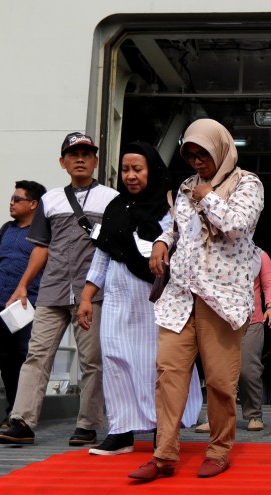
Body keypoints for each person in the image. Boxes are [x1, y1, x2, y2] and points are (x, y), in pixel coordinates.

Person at [128, 118, 263, 482]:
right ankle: (164, 454)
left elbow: (237, 226)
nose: (197, 162)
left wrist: (210, 199)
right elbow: (176, 228)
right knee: (168, 375)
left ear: (220, 149)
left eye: (202, 154)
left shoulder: (247, 183)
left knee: (220, 381)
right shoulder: (187, 186)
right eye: (190, 155)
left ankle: (219, 451)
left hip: (221, 298)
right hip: (180, 296)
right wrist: (161, 242)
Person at [77, 142, 203, 455]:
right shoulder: (116, 207)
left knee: (154, 363)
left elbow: (180, 246)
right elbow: (102, 256)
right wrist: (87, 296)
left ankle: (165, 428)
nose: (130, 176)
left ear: (152, 169)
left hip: (155, 297)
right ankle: (121, 431)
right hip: (118, 295)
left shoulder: (170, 205)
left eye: (138, 169)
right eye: (125, 170)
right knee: (115, 359)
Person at [0, 133, 117, 447]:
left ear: (95, 161)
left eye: (86, 154)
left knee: (92, 360)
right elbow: (41, 248)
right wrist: (22, 286)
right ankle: (22, 422)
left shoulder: (111, 198)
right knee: (36, 355)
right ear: (62, 162)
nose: (80, 159)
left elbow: (116, 249)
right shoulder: (50, 200)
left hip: (93, 290)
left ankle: (88, 424)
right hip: (52, 289)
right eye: (73, 154)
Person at [0, 180, 48, 427]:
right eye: (11, 198)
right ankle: (12, 410)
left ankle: (22, 414)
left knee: (24, 357)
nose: (11, 202)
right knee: (7, 361)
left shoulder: (43, 233)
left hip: (28, 305)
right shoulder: (6, 228)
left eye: (17, 199)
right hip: (0, 304)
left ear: (33, 204)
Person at [195, 245, 271, 433]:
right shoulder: (214, 252)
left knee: (248, 369)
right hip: (220, 320)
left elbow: (270, 283)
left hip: (252, 320)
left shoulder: (260, 255)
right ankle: (216, 418)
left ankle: (254, 414)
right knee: (218, 370)